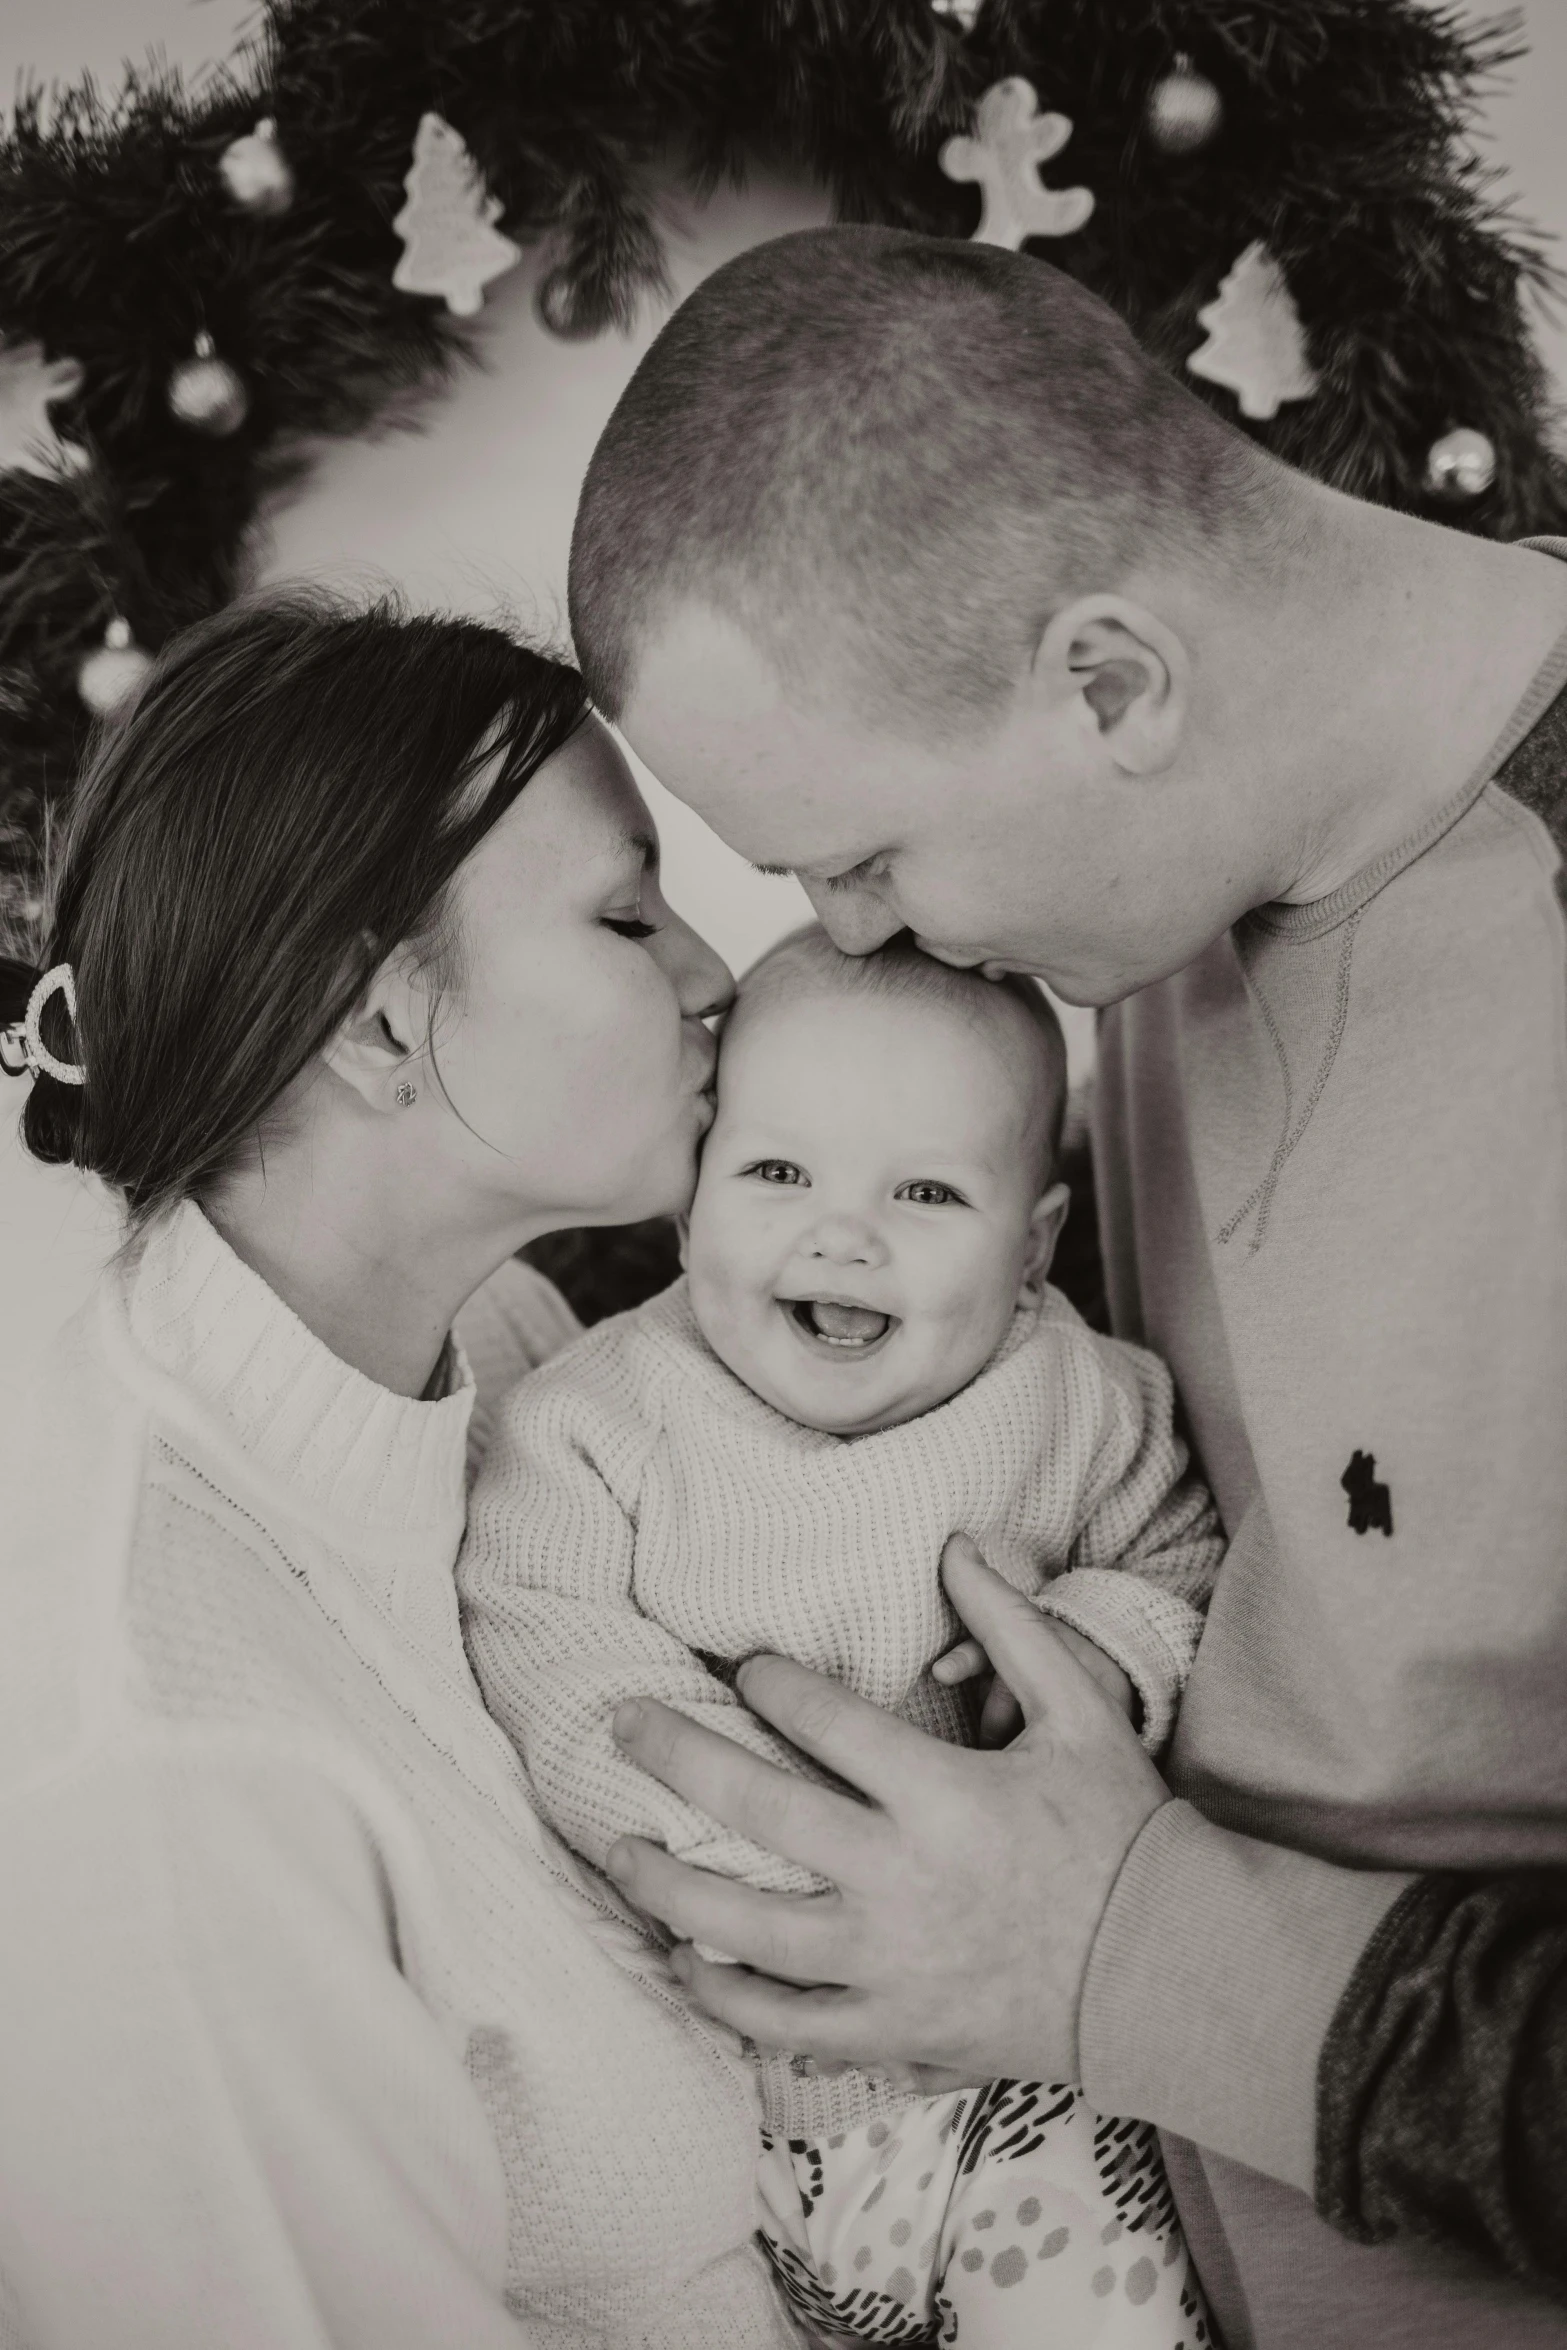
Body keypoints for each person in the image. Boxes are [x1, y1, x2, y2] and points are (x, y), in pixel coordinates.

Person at [558, 225, 1567, 2346]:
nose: (843, 939)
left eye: (861, 857)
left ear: (1110, 680)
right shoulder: (1156, 889)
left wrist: (1122, 1945)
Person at [0, 593, 807, 2347]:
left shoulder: (510, 1343)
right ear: (377, 1027)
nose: (713, 974)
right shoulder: (172, 1758)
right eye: (622, 911)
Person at [460, 923, 1222, 2348]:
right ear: (687, 1209)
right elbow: (556, 1656)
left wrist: (1102, 1649)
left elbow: (1180, 1556)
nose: (841, 1231)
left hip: (1030, 2100)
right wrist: (808, 1863)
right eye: (774, 1173)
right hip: (730, 2089)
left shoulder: (1078, 1397)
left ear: (1031, 1243)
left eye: (927, 1189)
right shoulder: (597, 1423)